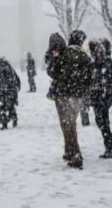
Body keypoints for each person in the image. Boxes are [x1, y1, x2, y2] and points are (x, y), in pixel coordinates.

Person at [47, 30, 92, 170]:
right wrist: (82, 90)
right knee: (70, 124)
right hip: (78, 96)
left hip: (64, 95)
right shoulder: (85, 56)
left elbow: (53, 72)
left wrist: (53, 58)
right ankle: (69, 151)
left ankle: (76, 156)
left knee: (68, 126)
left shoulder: (64, 55)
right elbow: (90, 78)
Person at [88, 39, 112, 159]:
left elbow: (107, 79)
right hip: (98, 97)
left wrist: (101, 85)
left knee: (103, 122)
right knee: (100, 122)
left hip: (103, 97)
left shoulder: (107, 63)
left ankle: (109, 147)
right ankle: (109, 146)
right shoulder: (95, 63)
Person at [0, 58, 21, 130]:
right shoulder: (10, 70)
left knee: (1, 108)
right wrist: (16, 88)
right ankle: (14, 119)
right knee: (10, 106)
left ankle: (4, 123)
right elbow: (17, 79)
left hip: (0, 93)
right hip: (10, 92)